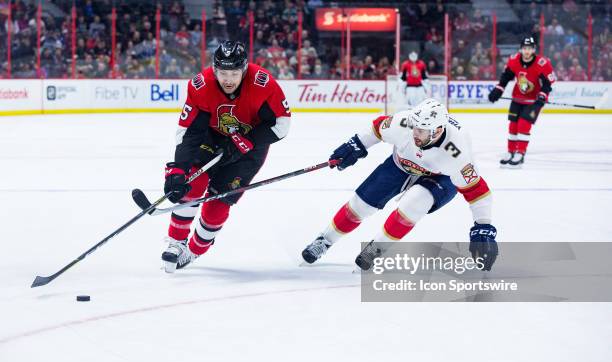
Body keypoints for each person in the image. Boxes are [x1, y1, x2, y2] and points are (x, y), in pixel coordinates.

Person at [301, 99, 498, 271]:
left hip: (440, 177)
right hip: (401, 164)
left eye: (421, 130)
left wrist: (483, 226)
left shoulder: (458, 154)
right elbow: (376, 128)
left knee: (414, 204)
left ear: (437, 131)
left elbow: (476, 190)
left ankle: (377, 247)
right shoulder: (404, 123)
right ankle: (324, 240)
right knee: (360, 206)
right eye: (415, 128)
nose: (414, 133)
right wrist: (355, 146)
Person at [161, 40, 291, 273]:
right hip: (211, 137)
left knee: (217, 207)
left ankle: (194, 250)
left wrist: (247, 140)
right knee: (191, 182)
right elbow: (190, 133)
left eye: (233, 73)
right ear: (215, 69)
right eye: (222, 73)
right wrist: (179, 169)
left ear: (243, 70)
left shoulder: (263, 84)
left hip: (251, 147)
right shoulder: (201, 86)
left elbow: (281, 125)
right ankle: (176, 242)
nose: (228, 79)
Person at [488, 36, 555, 168]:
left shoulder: (542, 63)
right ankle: (511, 151)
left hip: (534, 102)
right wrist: (498, 89)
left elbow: (548, 83)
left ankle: (520, 153)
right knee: (513, 126)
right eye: (525, 48)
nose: (527, 51)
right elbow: (506, 76)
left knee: (523, 125)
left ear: (533, 50)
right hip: (517, 98)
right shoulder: (514, 60)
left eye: (529, 49)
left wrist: (542, 95)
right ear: (521, 49)